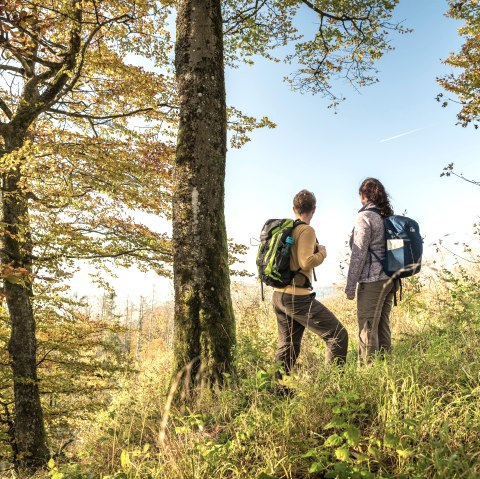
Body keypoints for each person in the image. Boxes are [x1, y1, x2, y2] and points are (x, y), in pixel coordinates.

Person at [272, 189, 348, 389]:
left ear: (294, 209)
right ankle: (333, 390)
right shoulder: (306, 230)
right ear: (313, 209)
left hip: (280, 296)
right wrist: (322, 253)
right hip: (297, 297)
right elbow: (306, 262)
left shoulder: (286, 230)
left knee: (287, 347)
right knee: (338, 335)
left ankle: (278, 393)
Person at [345, 178, 395, 363]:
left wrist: (350, 286)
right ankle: (388, 368)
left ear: (363, 195)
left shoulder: (364, 217)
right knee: (382, 326)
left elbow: (358, 253)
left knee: (366, 328)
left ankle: (368, 374)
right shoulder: (385, 216)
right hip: (391, 278)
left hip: (373, 280)